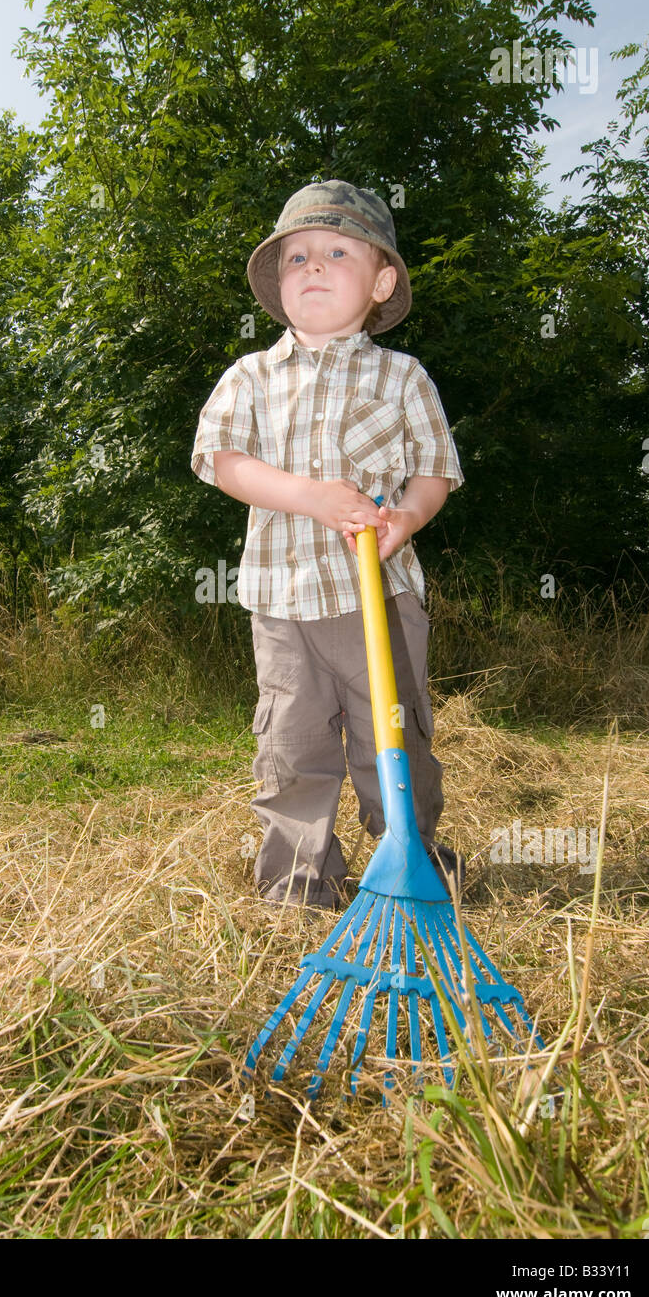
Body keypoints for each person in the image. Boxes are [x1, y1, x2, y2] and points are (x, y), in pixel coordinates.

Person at [191, 179, 465, 909]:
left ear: (379, 282)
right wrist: (312, 495)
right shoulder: (248, 377)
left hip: (378, 595)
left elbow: (435, 472)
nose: (311, 265)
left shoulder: (402, 376)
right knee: (292, 745)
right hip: (281, 602)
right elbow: (223, 463)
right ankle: (299, 877)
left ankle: (407, 859)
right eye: (295, 257)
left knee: (394, 736)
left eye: (336, 251)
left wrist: (404, 518)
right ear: (276, 285)